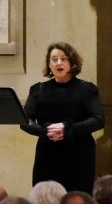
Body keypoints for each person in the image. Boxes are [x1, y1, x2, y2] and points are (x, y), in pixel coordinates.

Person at [21, 42, 105, 194]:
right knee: (45, 197)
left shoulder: (87, 89)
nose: (58, 63)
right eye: (54, 59)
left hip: (79, 154)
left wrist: (67, 129)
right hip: (48, 153)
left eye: (63, 59)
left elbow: (98, 119)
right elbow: (24, 120)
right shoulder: (38, 90)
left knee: (78, 198)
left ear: (72, 62)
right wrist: (45, 130)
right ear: (49, 64)